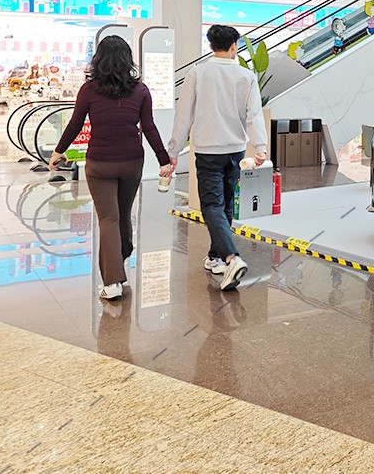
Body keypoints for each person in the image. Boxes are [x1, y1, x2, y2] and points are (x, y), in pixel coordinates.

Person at [49, 36, 172, 301]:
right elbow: (149, 127)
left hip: (100, 163)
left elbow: (75, 124)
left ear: (99, 59)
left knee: (108, 218)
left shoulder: (88, 90)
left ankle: (113, 281)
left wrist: (59, 151)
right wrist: (163, 160)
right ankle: (121, 257)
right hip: (131, 162)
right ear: (128, 59)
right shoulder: (140, 90)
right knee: (123, 213)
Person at [168, 24, 266, 292]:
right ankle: (216, 257)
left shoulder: (198, 73)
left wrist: (174, 151)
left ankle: (231, 257)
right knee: (225, 203)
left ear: (211, 46)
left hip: (208, 149)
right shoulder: (246, 76)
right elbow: (254, 114)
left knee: (211, 205)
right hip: (235, 149)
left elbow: (184, 116)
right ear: (234, 46)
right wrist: (260, 147)